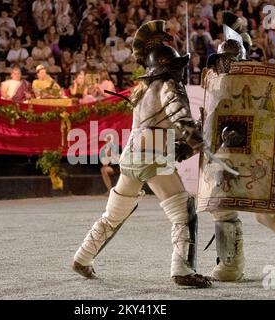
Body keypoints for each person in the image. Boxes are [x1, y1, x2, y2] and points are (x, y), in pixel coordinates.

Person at [72, 21, 212, 288]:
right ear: (169, 67)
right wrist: (197, 140)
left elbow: (158, 129)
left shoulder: (142, 91)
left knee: (113, 214)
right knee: (184, 212)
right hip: (153, 157)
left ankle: (83, 257)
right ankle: (182, 270)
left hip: (132, 157)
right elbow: (179, 117)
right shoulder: (169, 86)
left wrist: (187, 148)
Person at [202, 12, 275, 282]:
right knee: (246, 213)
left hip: (251, 155)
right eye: (222, 59)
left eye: (227, 59)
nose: (224, 63)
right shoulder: (220, 82)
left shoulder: (257, 82)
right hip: (229, 154)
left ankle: (231, 266)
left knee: (251, 213)